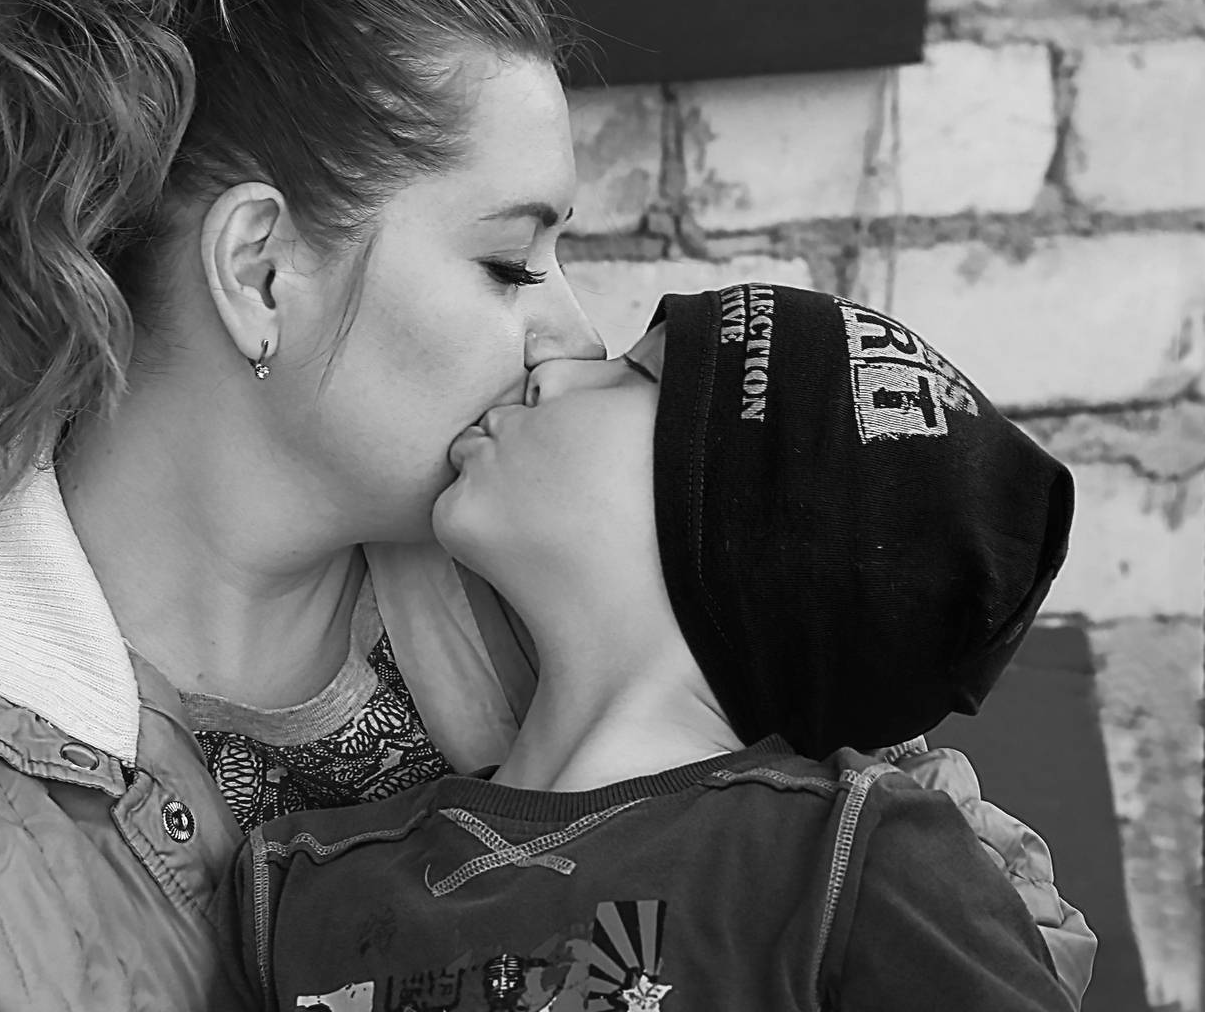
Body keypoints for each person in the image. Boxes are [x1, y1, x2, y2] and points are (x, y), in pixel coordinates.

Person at [0, 0, 1090, 1004]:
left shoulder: (563, 568)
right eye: (509, 263)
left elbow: (985, 906)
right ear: (261, 271)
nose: (576, 336)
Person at [213, 285, 1085, 1012]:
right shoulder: (298, 888)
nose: (554, 368)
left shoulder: (848, 866)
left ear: (741, 535)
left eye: (635, 373)